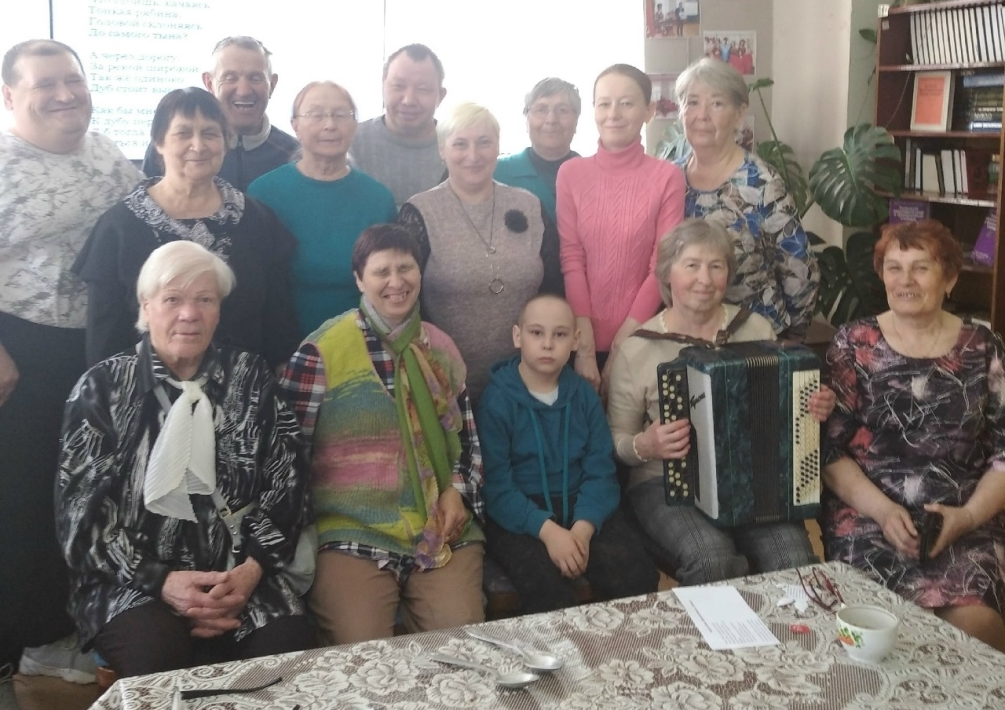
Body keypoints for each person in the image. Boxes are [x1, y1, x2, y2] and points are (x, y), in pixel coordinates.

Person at [57, 241, 313, 677]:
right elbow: (81, 523)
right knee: (156, 652)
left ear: (219, 309)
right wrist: (164, 583)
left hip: (241, 576)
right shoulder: (102, 388)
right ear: (146, 306)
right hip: (132, 584)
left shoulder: (251, 377)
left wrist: (250, 572)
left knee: (289, 651)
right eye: (173, 299)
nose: (190, 314)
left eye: (205, 300)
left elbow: (288, 485)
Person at [0, 38, 142, 679]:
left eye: (73, 81)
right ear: (10, 96)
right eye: (46, 84)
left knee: (85, 492)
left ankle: (76, 628)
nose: (65, 95)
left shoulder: (107, 154)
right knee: (25, 496)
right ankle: (30, 642)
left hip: (95, 347)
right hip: (20, 350)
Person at [281, 224, 485, 645]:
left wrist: (457, 491)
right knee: (362, 652)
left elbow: (467, 441)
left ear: (420, 272)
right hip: (351, 533)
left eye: (405, 268)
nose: (396, 281)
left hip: (440, 526)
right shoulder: (321, 352)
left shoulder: (442, 348)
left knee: (463, 646)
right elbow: (287, 456)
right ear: (359, 279)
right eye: (381, 271)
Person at [607, 219, 835, 584]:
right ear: (667, 274)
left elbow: (786, 412)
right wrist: (645, 445)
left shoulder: (755, 329)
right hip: (665, 484)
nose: (705, 279)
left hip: (755, 481)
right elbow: (616, 439)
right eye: (691, 265)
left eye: (716, 266)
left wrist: (814, 405)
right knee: (712, 559)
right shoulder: (638, 348)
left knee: (793, 559)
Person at [822, 220, 1005, 651]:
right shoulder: (853, 344)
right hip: (869, 516)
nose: (905, 280)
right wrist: (884, 512)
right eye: (894, 267)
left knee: (977, 628)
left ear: (950, 279)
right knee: (875, 631)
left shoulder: (983, 347)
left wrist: (967, 518)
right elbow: (829, 452)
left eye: (921, 268)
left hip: (964, 517)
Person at [74, 87, 299, 370]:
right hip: (144, 387)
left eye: (210, 133)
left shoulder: (255, 219)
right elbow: (104, 332)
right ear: (159, 142)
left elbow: (278, 318)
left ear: (225, 142)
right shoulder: (120, 226)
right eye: (183, 133)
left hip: (243, 385)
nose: (198, 145)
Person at [478, 294, 658, 614]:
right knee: (545, 589)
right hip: (520, 515)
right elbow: (497, 487)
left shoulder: (584, 396)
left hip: (581, 504)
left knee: (635, 574)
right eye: (536, 333)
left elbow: (601, 471)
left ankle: (619, 643)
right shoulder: (496, 401)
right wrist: (549, 533)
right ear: (517, 336)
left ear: (575, 341)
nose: (548, 344)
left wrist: (583, 529)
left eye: (559, 334)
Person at [399, 102, 563, 404]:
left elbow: (554, 289)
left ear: (498, 146)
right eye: (460, 144)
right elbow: (405, 301)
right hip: (445, 383)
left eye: (484, 142)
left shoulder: (529, 205)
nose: (473, 155)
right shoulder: (419, 212)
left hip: (526, 382)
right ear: (442, 150)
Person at [557, 63, 685, 397]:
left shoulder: (667, 177)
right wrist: (584, 349)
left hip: (644, 337)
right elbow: (571, 258)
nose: (613, 114)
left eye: (626, 103)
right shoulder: (571, 173)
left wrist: (620, 348)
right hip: (577, 338)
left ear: (649, 111)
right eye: (604, 103)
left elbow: (662, 265)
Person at [676, 57, 817, 339]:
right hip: (686, 332)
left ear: (739, 114)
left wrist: (791, 337)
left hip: (753, 335)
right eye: (692, 102)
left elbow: (799, 267)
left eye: (717, 103)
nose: (702, 115)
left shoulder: (761, 182)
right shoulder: (670, 178)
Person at [248, 81, 397, 338]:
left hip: (363, 344)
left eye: (340, 115)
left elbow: (390, 286)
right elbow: (253, 286)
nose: (329, 124)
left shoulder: (378, 199)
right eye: (316, 115)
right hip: (281, 343)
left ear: (354, 125)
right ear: (295, 125)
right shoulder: (263, 193)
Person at [141, 36, 298, 192]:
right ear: (209, 83)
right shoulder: (169, 150)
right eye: (230, 78)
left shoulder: (293, 155)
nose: (243, 91)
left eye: (255, 78)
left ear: (272, 84)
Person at [350, 44, 448, 207]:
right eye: (398, 86)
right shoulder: (350, 142)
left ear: (441, 96)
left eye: (423, 89)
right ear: (383, 86)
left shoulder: (461, 150)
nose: (408, 100)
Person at [494, 77, 581, 223]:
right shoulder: (496, 173)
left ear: (576, 120)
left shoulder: (596, 177)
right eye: (541, 110)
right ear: (526, 119)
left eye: (562, 110)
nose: (551, 119)